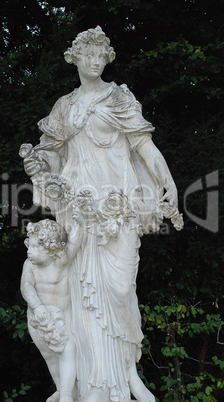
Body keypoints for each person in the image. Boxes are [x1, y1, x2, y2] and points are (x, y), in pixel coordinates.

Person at [20, 26, 183, 402]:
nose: (94, 61)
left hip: (119, 209)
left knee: (122, 290)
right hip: (77, 210)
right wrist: (37, 162)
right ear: (75, 58)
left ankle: (127, 374)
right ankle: (86, 386)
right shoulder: (64, 107)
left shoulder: (119, 98)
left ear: (106, 59)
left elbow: (145, 145)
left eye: (100, 55)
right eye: (87, 54)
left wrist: (168, 184)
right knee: (79, 297)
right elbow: (51, 152)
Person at [21, 208, 84, 402]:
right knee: (50, 357)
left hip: (62, 318)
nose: (29, 252)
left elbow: (73, 243)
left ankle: (66, 396)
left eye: (34, 247)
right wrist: (38, 307)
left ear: (51, 248)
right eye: (28, 246)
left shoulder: (61, 261)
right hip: (38, 319)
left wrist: (79, 224)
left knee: (67, 351)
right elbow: (26, 287)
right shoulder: (29, 265)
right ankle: (62, 388)